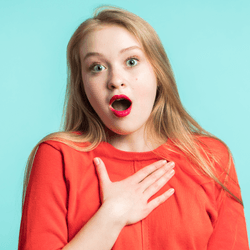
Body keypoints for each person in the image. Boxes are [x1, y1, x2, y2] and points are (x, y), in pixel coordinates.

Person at [18, 6, 249, 250]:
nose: (115, 79)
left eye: (131, 61)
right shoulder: (58, 156)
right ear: (82, 85)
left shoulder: (211, 158)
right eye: (97, 67)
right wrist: (112, 215)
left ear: (158, 71)